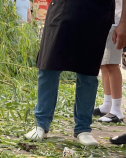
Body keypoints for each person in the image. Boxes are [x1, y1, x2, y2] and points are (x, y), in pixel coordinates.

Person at [25, 0, 126, 147]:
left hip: (96, 13)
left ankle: (83, 129)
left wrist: (123, 22)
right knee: (48, 66)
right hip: (61, 7)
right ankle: (41, 124)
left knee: (88, 72)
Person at [94, 0, 124, 123]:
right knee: (103, 63)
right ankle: (107, 103)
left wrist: (123, 23)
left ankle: (117, 110)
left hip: (116, 19)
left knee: (112, 64)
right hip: (104, 18)